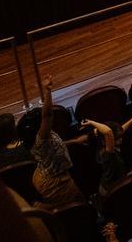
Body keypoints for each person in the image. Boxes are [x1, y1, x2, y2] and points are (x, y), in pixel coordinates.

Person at [31, 76, 83, 206]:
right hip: (55, 182)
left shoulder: (44, 141)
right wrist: (48, 91)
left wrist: (74, 142)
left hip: (50, 175)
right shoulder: (42, 137)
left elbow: (52, 149)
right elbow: (47, 115)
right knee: (74, 207)